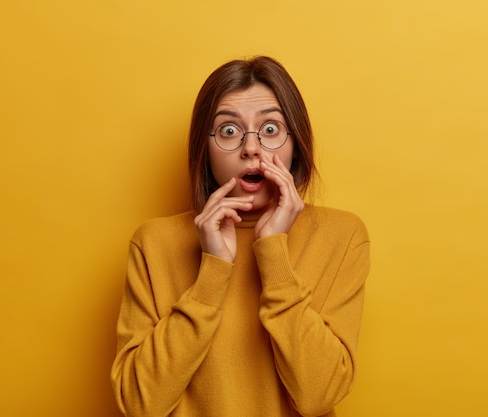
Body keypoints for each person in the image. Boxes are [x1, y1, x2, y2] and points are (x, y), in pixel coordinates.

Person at [111, 56, 370, 417]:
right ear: (205, 151)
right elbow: (141, 404)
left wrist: (274, 254)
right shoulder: (154, 243)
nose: (251, 148)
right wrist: (213, 270)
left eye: (270, 129)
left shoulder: (342, 236)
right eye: (229, 131)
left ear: (295, 144)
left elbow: (318, 395)